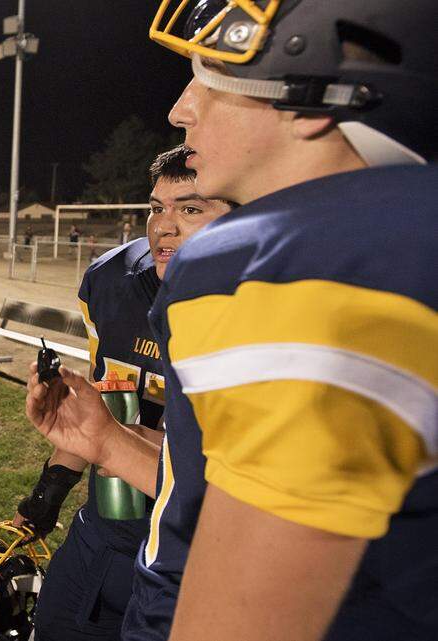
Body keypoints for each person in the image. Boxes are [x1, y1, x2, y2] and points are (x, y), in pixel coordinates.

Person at [28, 2, 438, 640]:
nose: (181, 107)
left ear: (315, 101)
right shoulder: (403, 237)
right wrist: (107, 443)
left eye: (212, 76)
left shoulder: (289, 262)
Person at [18, 145, 231, 641]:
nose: (164, 226)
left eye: (191, 209)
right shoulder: (111, 281)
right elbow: (102, 412)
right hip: (109, 527)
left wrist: (113, 442)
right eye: (157, 208)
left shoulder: (263, 311)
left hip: (198, 550)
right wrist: (44, 499)